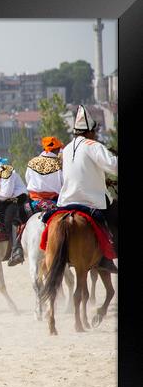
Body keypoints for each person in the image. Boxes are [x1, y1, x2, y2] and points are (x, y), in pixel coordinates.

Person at [53, 104, 118, 273]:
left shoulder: (65, 149)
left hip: (66, 200)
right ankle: (107, 258)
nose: (95, 135)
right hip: (92, 199)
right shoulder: (93, 145)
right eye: (94, 132)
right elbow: (113, 166)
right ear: (89, 131)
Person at [0, 149, 29, 266]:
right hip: (8, 200)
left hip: (18, 199)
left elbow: (7, 192)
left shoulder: (5, 170)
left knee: (8, 219)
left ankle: (16, 250)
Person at [25, 136, 65, 212]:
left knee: (21, 218)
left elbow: (28, 179)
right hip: (54, 203)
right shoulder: (60, 164)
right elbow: (64, 184)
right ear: (56, 149)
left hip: (33, 203)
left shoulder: (32, 162)